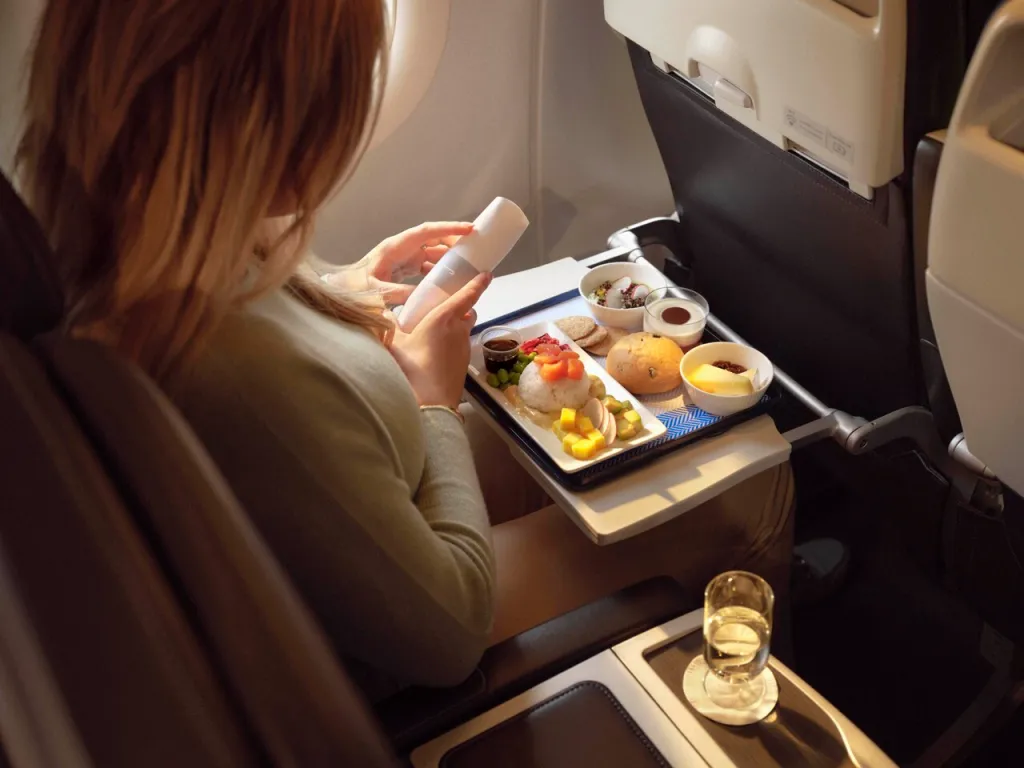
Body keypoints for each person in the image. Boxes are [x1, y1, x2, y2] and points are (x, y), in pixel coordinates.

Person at [16, 0, 793, 701]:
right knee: (747, 490)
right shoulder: (238, 378)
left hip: (382, 486)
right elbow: (450, 629)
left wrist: (343, 292)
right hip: (421, 613)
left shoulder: (139, 245)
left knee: (645, 453)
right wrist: (433, 404)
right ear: (263, 117)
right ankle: (751, 708)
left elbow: (270, 331)